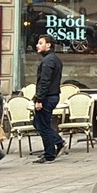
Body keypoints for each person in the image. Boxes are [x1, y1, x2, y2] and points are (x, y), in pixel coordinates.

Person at [32, 33, 67, 163]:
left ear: (48, 45)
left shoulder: (48, 60)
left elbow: (45, 81)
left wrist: (39, 99)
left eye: (40, 43)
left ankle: (50, 153)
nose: (37, 45)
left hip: (47, 97)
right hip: (51, 95)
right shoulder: (53, 59)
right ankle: (54, 146)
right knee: (38, 123)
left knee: (43, 125)